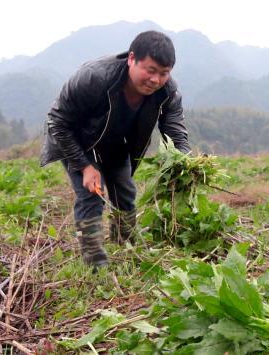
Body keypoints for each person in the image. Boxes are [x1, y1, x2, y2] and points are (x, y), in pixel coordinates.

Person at [40, 31, 191, 269]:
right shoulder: (94, 78)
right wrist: (84, 166)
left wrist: (185, 163)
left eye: (164, 73)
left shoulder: (167, 92)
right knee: (91, 196)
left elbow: (175, 129)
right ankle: (95, 265)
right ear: (131, 58)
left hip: (117, 144)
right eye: (150, 70)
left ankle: (126, 247)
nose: (156, 80)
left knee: (126, 194)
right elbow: (57, 122)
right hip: (79, 141)